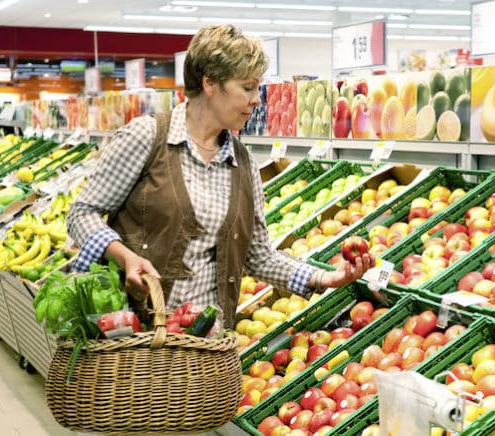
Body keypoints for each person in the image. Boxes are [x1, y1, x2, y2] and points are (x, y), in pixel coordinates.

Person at [66, 24, 374, 328]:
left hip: (207, 349)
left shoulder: (243, 165)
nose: (257, 99)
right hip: (141, 345)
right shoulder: (148, 138)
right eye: (248, 87)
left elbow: (257, 256)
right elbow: (81, 214)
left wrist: (325, 277)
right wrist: (123, 256)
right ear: (210, 83)